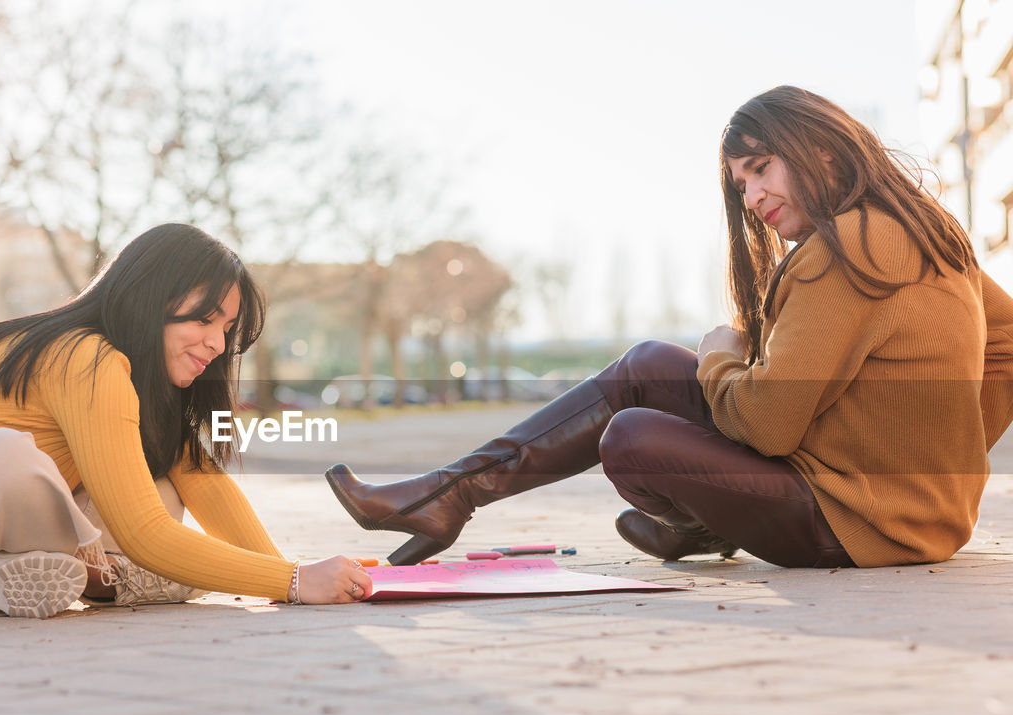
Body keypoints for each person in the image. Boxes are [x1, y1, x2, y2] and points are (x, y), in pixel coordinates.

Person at [327, 85, 1013, 569]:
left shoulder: (841, 250)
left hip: (851, 524)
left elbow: (771, 425)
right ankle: (450, 493)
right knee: (649, 362)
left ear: (823, 153)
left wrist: (719, 359)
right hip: (920, 517)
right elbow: (1008, 342)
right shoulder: (928, 232)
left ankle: (687, 521)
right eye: (741, 183)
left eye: (761, 169)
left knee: (630, 436)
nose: (753, 198)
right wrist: (939, 452)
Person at [0, 223, 372, 617]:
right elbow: (143, 532)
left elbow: (205, 487)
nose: (216, 345)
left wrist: (300, 572)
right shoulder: (84, 357)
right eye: (206, 318)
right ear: (156, 295)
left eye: (227, 329)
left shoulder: (144, 386)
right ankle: (121, 576)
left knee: (157, 488)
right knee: (9, 460)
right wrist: (294, 585)